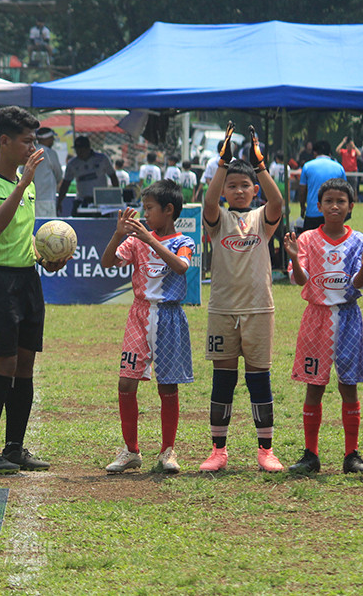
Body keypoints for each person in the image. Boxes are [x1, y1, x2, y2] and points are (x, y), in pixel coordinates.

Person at [0, 106, 66, 474]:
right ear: (4, 141)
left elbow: (21, 239)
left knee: (24, 366)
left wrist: (44, 259)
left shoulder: (21, 186)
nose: (32, 147)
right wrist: (23, 183)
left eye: (35, 139)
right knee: (2, 367)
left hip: (27, 280)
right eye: (27, 140)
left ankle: (14, 448)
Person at [200, 123, 285, 473]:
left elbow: (277, 200)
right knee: (224, 378)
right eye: (232, 186)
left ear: (254, 191)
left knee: (258, 377)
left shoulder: (260, 220)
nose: (238, 190)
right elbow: (208, 200)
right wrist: (222, 164)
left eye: (244, 185)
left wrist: (259, 167)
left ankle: (265, 449)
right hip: (222, 309)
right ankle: (218, 449)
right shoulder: (217, 220)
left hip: (258, 309)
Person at [100, 180, 195, 474]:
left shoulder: (184, 241)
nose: (145, 214)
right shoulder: (135, 241)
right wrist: (118, 236)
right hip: (139, 317)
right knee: (125, 383)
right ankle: (131, 450)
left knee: (167, 385)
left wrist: (151, 240)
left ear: (168, 210)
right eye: (144, 208)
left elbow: (181, 267)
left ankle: (168, 451)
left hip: (169, 318)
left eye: (150, 208)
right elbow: (106, 263)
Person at [283, 178, 363, 475]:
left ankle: (352, 455)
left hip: (348, 317)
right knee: (315, 385)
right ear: (318, 206)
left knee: (349, 385)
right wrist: (296, 261)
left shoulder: (359, 241)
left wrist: (362, 267)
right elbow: (300, 279)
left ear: (351, 206)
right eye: (328, 201)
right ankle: (311, 454)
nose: (334, 205)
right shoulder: (307, 239)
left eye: (341, 201)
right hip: (316, 318)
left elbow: (361, 283)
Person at [57, 136, 118, 215]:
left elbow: (113, 177)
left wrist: (116, 197)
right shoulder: (72, 164)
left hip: (101, 200)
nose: (79, 152)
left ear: (88, 148)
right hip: (82, 199)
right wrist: (59, 202)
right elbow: (66, 183)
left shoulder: (102, 159)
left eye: (82, 150)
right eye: (77, 150)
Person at [298, 140, 346, 232]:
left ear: (315, 153)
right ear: (329, 153)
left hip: (312, 213)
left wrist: (302, 207)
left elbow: (302, 191)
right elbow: (345, 192)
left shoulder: (307, 166)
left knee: (310, 244)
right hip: (333, 213)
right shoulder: (339, 167)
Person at [33, 128, 64, 217]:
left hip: (32, 199)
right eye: (52, 138)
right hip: (47, 198)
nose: (53, 140)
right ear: (48, 138)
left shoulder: (31, 152)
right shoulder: (49, 153)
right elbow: (58, 175)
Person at [336, 136, 361, 201]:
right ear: (346, 146)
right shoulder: (344, 152)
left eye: (350, 145)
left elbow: (359, 154)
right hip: (346, 172)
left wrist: (354, 146)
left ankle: (355, 199)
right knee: (344, 186)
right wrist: (343, 142)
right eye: (348, 145)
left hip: (353, 172)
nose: (349, 147)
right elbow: (337, 150)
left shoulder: (354, 151)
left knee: (354, 187)